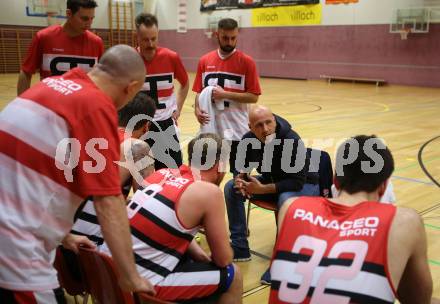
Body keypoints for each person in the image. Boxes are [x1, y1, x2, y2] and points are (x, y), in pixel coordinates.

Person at [0, 45, 154, 303]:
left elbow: (27, 176)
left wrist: (65, 235)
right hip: (17, 254)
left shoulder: (46, 87)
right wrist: (130, 276)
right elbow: (108, 202)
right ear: (131, 87)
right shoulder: (95, 106)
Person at [269, 135, 434, 304]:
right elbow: (418, 300)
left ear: (336, 181)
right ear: (384, 187)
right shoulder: (405, 221)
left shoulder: (291, 207)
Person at [97, 133, 242, 303]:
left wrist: (200, 255)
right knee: (233, 275)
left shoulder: (163, 173)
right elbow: (223, 259)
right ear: (220, 166)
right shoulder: (209, 193)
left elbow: (169, 225)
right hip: (135, 285)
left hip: (103, 270)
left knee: (190, 259)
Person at [224, 105, 320, 283]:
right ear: (250, 127)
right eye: (259, 125)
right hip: (273, 181)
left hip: (305, 185)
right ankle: (239, 248)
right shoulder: (248, 140)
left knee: (285, 199)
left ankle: (281, 262)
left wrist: (261, 189)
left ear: (275, 121)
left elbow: (297, 181)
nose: (265, 129)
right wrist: (240, 178)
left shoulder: (291, 140)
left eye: (268, 122)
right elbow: (241, 165)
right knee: (231, 188)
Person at [192, 17, 261, 174]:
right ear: (217, 35)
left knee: (240, 178)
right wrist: (196, 109)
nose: (229, 42)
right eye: (225, 38)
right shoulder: (204, 61)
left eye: (233, 38)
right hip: (212, 130)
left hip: (238, 131)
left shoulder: (247, 62)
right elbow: (199, 92)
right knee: (209, 174)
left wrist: (225, 95)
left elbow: (253, 96)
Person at [135, 13, 189, 170]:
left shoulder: (171, 57)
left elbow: (185, 84)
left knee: (173, 172)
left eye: (154, 38)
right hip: (140, 126)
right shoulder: (130, 59)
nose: (151, 44)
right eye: (146, 39)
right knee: (144, 176)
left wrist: (177, 107)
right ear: (136, 37)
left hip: (166, 125)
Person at [17, 0, 104, 95]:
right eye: (84, 18)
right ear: (69, 13)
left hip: (82, 106)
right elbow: (26, 72)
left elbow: (101, 78)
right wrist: (22, 103)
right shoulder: (44, 37)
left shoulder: (96, 42)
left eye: (92, 18)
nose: (89, 23)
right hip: (50, 105)